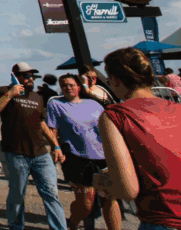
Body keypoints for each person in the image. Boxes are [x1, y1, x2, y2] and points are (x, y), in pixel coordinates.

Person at [93, 47, 181, 230]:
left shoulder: (116, 115)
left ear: (116, 80)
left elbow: (127, 189)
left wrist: (102, 182)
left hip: (163, 218)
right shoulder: (177, 108)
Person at [0, 61, 67, 230]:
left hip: (40, 153)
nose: (31, 79)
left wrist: (56, 145)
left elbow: (42, 123)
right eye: (27, 75)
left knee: (51, 193)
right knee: (17, 194)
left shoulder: (37, 97)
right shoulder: (3, 91)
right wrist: (10, 94)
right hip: (16, 153)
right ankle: (16, 226)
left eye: (32, 76)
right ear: (16, 77)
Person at [45, 74, 120, 230]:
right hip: (76, 156)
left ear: (79, 87)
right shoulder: (56, 104)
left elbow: (107, 126)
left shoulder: (93, 104)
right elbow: (52, 129)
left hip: (102, 155)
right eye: (64, 85)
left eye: (71, 84)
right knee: (86, 203)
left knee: (110, 197)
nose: (68, 88)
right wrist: (55, 148)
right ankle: (73, 222)